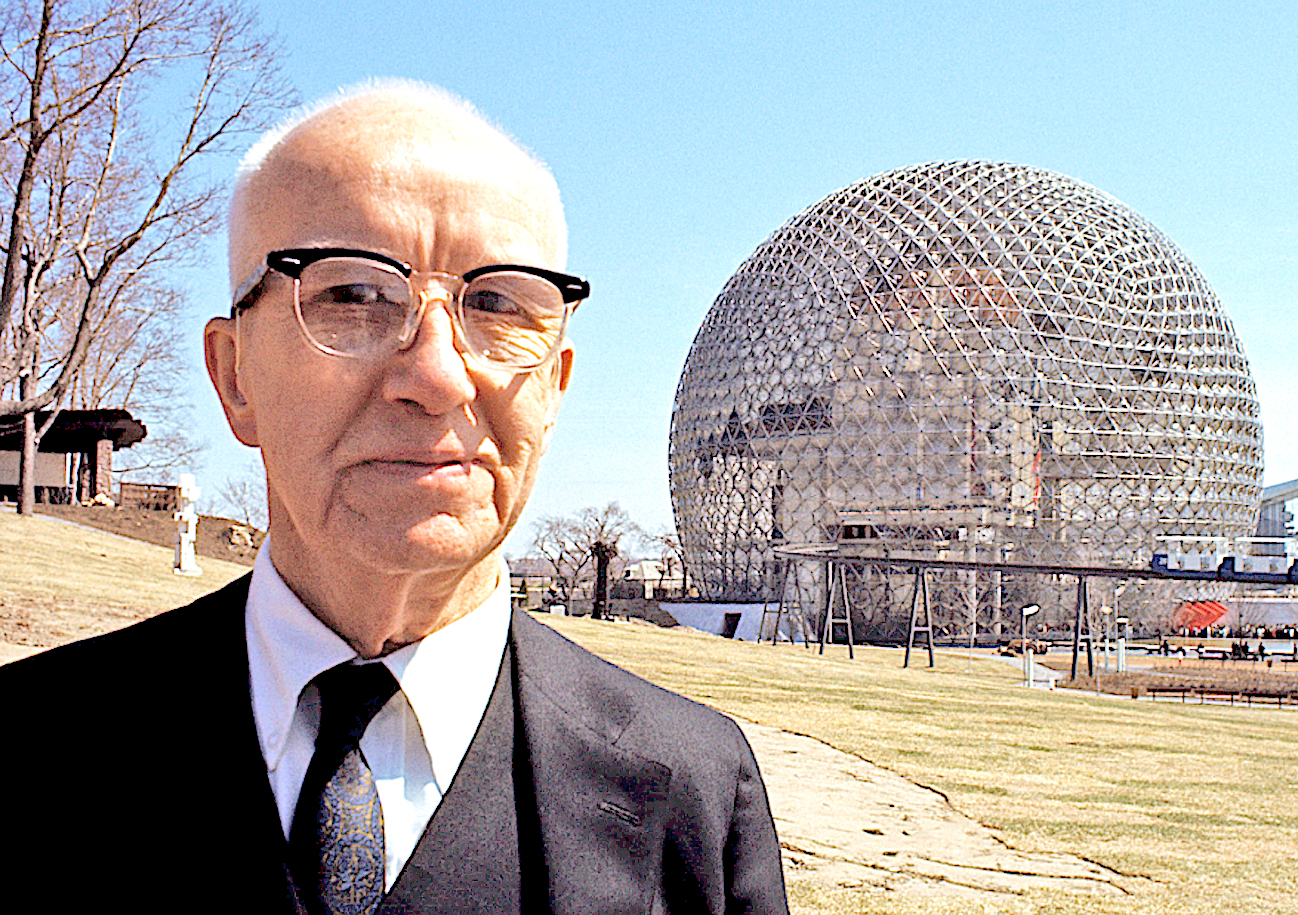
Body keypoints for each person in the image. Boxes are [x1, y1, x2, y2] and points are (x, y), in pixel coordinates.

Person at [0, 83, 788, 914]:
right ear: (235, 377)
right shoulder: (28, 751)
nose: (439, 375)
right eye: (353, 295)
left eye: (496, 304)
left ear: (552, 392)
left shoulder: (693, 802)